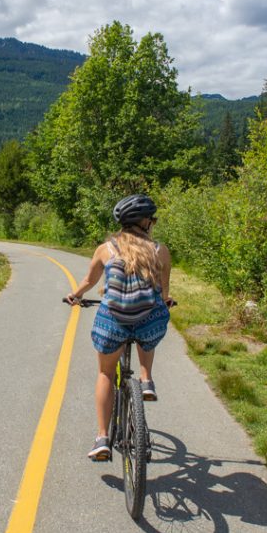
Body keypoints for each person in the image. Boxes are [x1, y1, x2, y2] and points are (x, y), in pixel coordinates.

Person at [63, 194, 174, 461]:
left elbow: (89, 281)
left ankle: (103, 437)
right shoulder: (159, 250)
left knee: (105, 373)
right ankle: (147, 380)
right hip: (148, 321)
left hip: (113, 321)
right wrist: (165, 301)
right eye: (153, 219)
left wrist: (75, 295)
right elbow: (163, 290)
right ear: (145, 222)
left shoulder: (106, 249)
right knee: (151, 322)